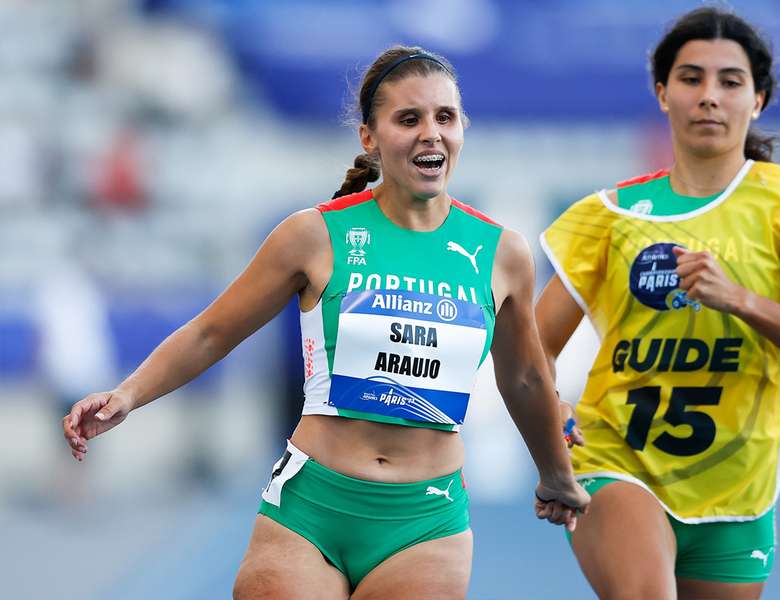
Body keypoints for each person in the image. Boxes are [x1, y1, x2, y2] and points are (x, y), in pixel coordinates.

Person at [62, 46, 590, 600]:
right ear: (369, 137)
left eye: (445, 117)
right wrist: (127, 396)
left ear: (462, 129)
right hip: (310, 509)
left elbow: (526, 379)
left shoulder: (500, 251)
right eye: (408, 119)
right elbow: (211, 331)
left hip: (425, 522)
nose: (430, 133)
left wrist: (556, 473)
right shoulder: (313, 235)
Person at [536, 8, 780, 600]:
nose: (709, 96)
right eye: (690, 79)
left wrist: (740, 299)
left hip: (738, 485)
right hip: (616, 460)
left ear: (757, 99)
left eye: (730, 81)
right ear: (663, 94)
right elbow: (527, 348)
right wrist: (550, 412)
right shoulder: (609, 215)